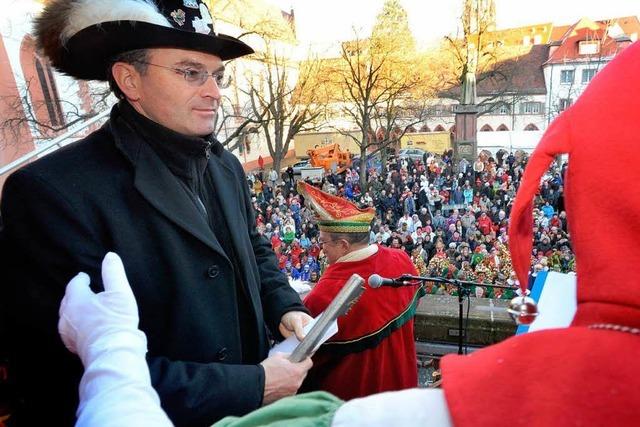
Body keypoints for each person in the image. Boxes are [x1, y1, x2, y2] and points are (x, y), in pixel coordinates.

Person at [0, 1, 312, 425]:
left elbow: (253, 249)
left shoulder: (224, 165)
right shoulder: (50, 193)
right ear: (130, 80)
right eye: (190, 72)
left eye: (217, 75)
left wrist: (284, 306)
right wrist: (253, 384)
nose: (215, 92)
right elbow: (65, 375)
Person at [296, 182, 423, 400]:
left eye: (324, 241)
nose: (321, 248)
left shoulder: (324, 295)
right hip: (404, 389)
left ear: (344, 245)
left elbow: (305, 366)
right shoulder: (401, 259)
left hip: (356, 402)